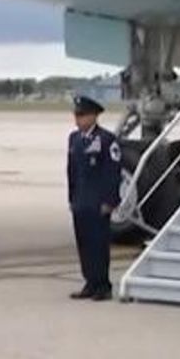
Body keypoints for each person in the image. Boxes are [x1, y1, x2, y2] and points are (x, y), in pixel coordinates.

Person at [65, 95, 121, 302]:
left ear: (93, 116)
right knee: (84, 243)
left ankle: (102, 284)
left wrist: (110, 200)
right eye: (76, 115)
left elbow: (112, 172)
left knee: (98, 243)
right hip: (81, 200)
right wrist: (71, 198)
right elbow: (71, 171)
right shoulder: (74, 139)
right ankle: (89, 281)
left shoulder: (106, 140)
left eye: (81, 116)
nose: (77, 120)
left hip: (98, 202)